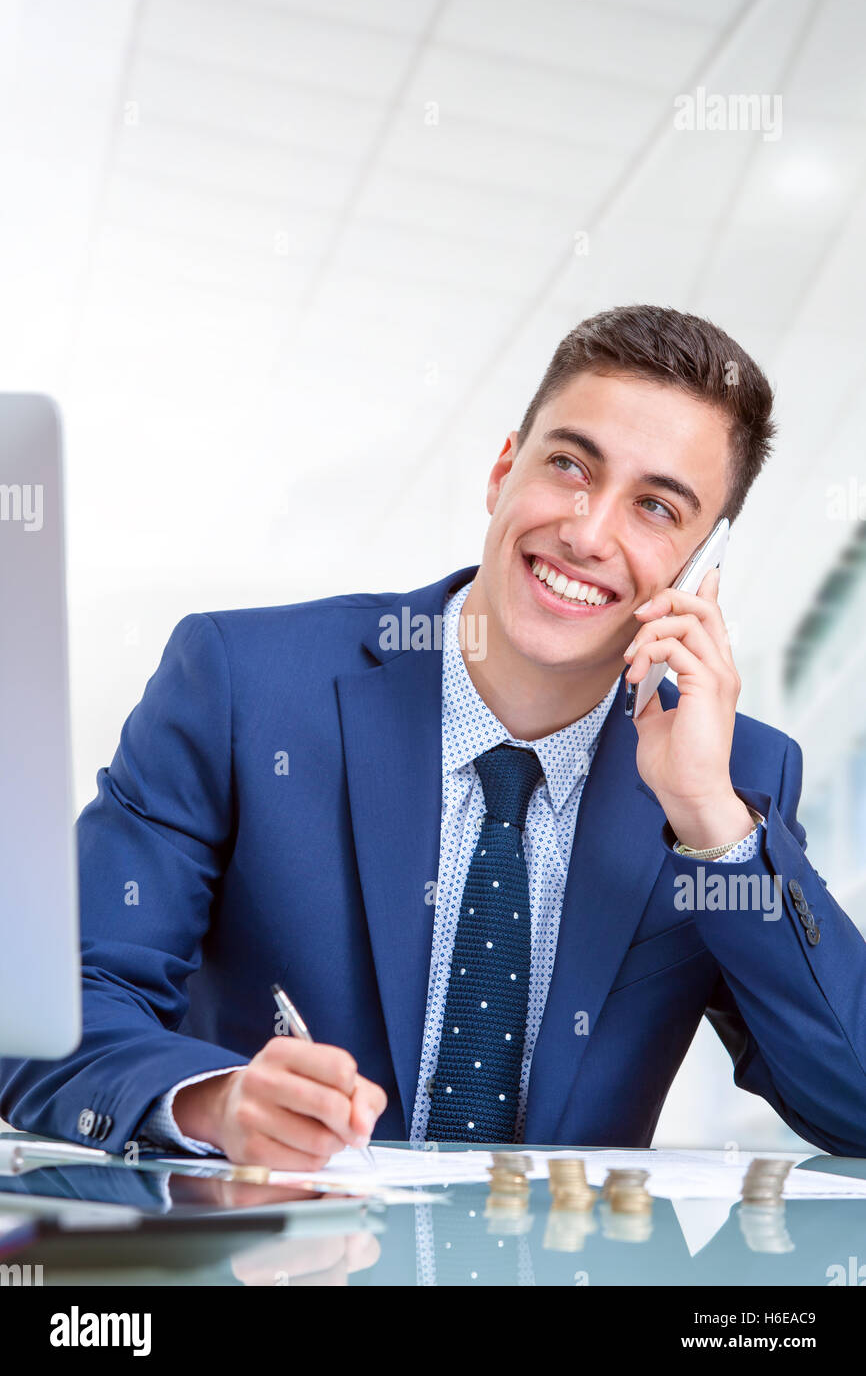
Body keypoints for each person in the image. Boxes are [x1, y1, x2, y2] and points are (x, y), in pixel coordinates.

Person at [3, 305, 865, 1165]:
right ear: (502, 471)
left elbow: (854, 1105)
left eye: (656, 508)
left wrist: (710, 822)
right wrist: (213, 1103)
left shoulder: (732, 778)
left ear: (699, 568)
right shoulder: (244, 685)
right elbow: (55, 1011)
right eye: (569, 464)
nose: (588, 531)